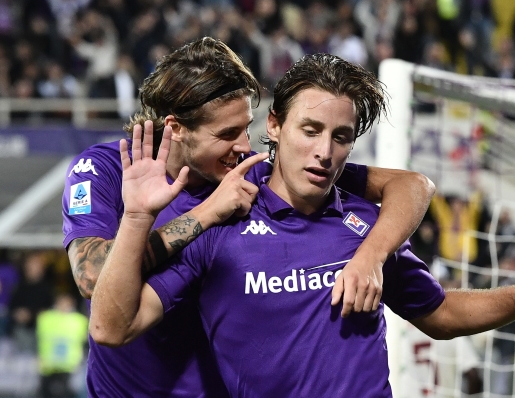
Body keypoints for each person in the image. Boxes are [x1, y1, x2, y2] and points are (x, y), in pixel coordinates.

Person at [89, 53, 515, 397]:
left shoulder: (366, 224)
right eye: (310, 130)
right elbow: (112, 328)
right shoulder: (222, 221)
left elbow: (438, 313)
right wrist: (136, 217)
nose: (324, 152)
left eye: (341, 136)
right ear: (274, 126)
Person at [63, 37, 436, 397]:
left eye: (245, 127)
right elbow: (92, 276)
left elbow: (410, 186)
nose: (243, 145)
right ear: (176, 129)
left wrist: (372, 254)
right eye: (227, 133)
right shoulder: (107, 171)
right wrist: (204, 212)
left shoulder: (249, 172)